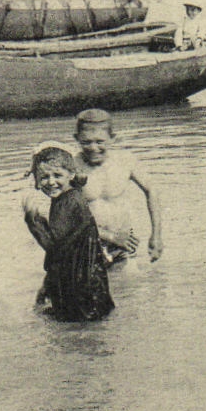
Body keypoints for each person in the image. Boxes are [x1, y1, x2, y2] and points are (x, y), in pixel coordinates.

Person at [25, 144, 115, 321]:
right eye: (44, 177)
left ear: (70, 175)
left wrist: (33, 221)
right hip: (92, 282)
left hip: (79, 288)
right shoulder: (73, 195)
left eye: (57, 175)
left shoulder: (65, 204)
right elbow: (64, 245)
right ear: (36, 181)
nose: (51, 182)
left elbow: (52, 246)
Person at [72, 109, 163, 267]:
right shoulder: (72, 168)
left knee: (129, 289)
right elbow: (69, 217)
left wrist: (156, 235)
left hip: (125, 242)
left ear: (112, 139)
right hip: (89, 245)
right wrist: (112, 237)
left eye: (100, 141)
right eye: (86, 142)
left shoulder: (125, 161)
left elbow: (151, 190)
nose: (93, 148)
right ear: (77, 139)